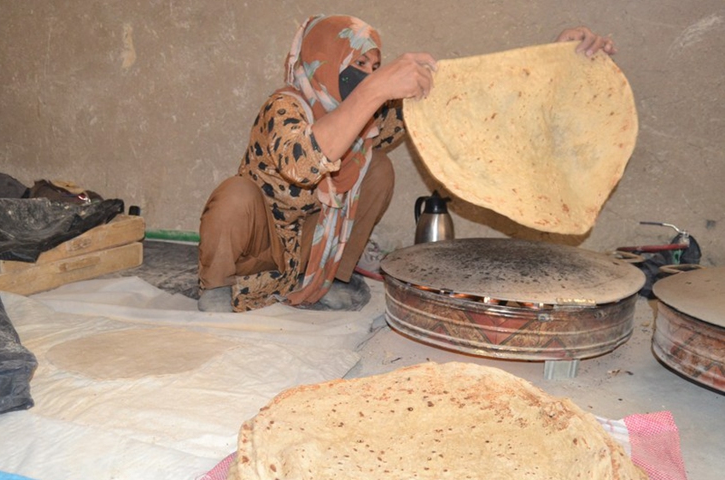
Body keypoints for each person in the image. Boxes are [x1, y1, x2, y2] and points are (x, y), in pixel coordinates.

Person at [197, 14, 616, 313]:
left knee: (377, 166)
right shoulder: (284, 105)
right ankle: (215, 288)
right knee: (235, 194)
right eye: (357, 64)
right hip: (258, 246)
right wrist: (376, 89)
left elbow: (466, 108)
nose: (367, 75)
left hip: (308, 249)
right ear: (322, 59)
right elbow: (304, 162)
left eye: (375, 66)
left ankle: (331, 281)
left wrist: (553, 62)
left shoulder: (369, 121)